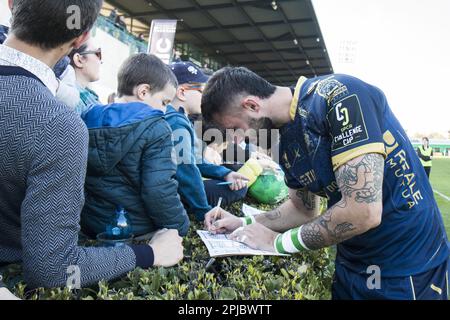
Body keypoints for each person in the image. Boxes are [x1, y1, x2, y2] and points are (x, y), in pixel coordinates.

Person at [201, 68, 449, 300]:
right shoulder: (281, 140)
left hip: (408, 266)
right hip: (351, 263)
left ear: (252, 105)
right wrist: (243, 222)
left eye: (234, 128)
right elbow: (301, 209)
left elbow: (363, 211)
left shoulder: (339, 95)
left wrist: (276, 243)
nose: (235, 139)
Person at [0, 0, 183, 289]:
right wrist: (149, 253)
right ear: (81, 38)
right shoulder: (59, 125)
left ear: (11, 4)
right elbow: (53, 271)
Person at [81, 54, 190, 238]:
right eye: (164, 102)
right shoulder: (157, 126)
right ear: (144, 92)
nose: (165, 110)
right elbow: (159, 190)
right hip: (134, 229)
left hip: (89, 225)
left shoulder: (87, 115)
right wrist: (180, 228)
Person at [166, 62, 248, 221]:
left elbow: (194, 160)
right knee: (239, 189)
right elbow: (187, 171)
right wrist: (203, 211)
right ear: (182, 92)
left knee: (235, 180)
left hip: (168, 187)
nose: (207, 98)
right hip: (170, 193)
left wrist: (226, 174)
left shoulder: (179, 118)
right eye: (202, 91)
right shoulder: (176, 122)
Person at [0, 0, 80, 109]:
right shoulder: (66, 123)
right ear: (80, 38)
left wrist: (49, 80)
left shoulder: (64, 68)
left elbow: (73, 99)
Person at [68, 39, 102, 115]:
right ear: (79, 60)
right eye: (98, 54)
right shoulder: (73, 102)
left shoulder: (88, 98)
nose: (101, 61)